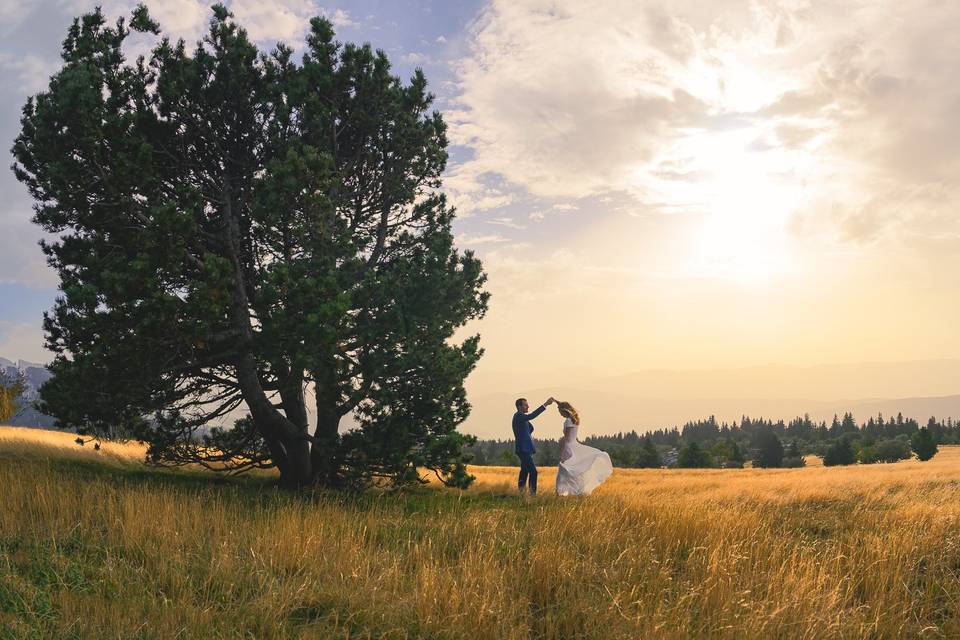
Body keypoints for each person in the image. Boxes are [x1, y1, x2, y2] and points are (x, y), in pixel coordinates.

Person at [554, 401, 613, 496]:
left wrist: (562, 452)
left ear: (564, 410)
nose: (560, 414)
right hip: (574, 445)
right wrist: (555, 401)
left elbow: (567, 438)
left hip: (569, 447)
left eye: (560, 411)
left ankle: (559, 493)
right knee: (572, 470)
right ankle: (572, 491)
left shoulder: (568, 421)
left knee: (563, 470)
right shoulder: (575, 419)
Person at [512, 396, 554, 495]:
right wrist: (545, 404)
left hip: (526, 448)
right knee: (533, 472)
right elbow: (532, 415)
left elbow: (530, 428)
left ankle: (521, 493)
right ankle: (532, 495)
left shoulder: (522, 417)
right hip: (523, 449)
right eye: (525, 405)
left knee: (524, 471)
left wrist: (526, 435)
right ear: (519, 407)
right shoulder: (519, 416)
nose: (528, 406)